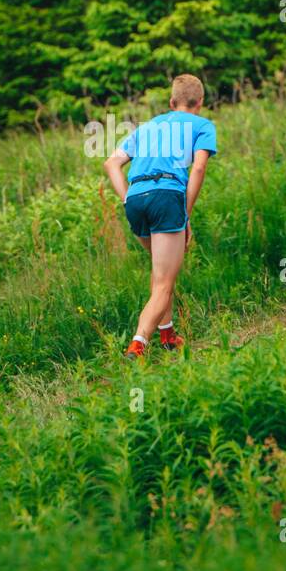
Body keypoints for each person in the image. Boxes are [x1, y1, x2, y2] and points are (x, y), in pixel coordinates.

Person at [104, 74, 217, 359]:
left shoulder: (150, 126)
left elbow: (111, 163)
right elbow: (199, 169)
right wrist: (185, 213)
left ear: (171, 102)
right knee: (165, 282)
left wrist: (127, 197)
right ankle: (137, 345)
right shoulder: (203, 125)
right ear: (200, 102)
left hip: (137, 199)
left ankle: (167, 336)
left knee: (161, 272)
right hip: (167, 197)